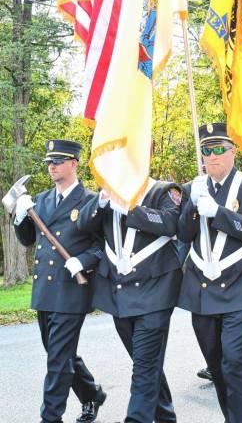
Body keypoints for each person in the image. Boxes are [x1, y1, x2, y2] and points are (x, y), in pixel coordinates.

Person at [177, 123, 242, 423]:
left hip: (241, 286)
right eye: (206, 150)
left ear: (233, 153)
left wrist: (219, 212)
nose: (212, 156)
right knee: (216, 364)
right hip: (202, 289)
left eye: (219, 149)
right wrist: (193, 206)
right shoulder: (194, 187)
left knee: (236, 360)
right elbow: (183, 233)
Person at [77, 165, 183, 423]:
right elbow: (83, 224)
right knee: (146, 362)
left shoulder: (162, 190)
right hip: (120, 295)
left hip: (154, 292)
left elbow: (171, 223)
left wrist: (131, 210)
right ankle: (166, 416)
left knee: (144, 366)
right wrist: (102, 201)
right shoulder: (106, 194)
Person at [13, 139, 106, 423]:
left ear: (74, 163)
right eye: (49, 163)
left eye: (58, 161)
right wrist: (19, 218)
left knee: (57, 359)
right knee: (60, 354)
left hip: (70, 290)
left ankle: (50, 417)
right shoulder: (39, 200)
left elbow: (103, 245)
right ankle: (91, 394)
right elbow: (28, 240)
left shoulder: (90, 200)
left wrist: (85, 261)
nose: (52, 167)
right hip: (45, 290)